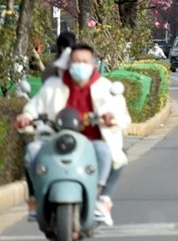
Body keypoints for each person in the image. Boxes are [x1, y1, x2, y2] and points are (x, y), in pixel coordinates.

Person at [14, 42, 131, 226]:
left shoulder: (104, 87)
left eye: (84, 61)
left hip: (92, 142)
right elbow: (35, 106)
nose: (80, 65)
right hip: (55, 140)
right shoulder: (53, 85)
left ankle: (100, 198)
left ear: (92, 63)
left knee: (109, 153)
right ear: (68, 63)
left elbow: (117, 112)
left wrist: (110, 117)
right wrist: (26, 116)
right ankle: (35, 198)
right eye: (76, 61)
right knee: (33, 151)